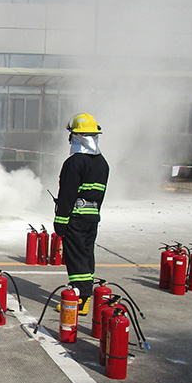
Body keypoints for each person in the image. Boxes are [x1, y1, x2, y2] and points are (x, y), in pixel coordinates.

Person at [54, 113, 109, 315]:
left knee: (76, 258)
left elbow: (67, 194)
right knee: (87, 256)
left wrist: (60, 222)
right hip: (92, 219)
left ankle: (80, 298)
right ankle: (85, 295)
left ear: (76, 137)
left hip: (75, 220)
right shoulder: (102, 163)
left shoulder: (74, 163)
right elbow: (100, 196)